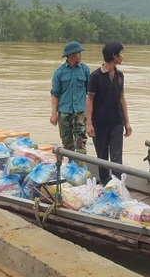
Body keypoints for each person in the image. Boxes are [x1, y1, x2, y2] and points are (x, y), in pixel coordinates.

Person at [86, 42, 132, 185]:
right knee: (102, 156)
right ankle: (106, 183)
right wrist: (89, 123)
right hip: (99, 123)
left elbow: (121, 98)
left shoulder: (120, 75)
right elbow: (90, 100)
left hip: (117, 122)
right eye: (121, 53)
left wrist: (127, 122)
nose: (123, 56)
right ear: (114, 56)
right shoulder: (95, 76)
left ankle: (118, 184)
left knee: (117, 156)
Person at [50, 41, 91, 156]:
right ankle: (70, 169)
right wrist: (54, 114)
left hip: (80, 113)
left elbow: (91, 93)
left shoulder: (85, 70)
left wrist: (91, 114)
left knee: (81, 144)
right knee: (67, 145)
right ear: (71, 55)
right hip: (64, 113)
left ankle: (80, 169)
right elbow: (55, 94)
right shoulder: (59, 72)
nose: (81, 55)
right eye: (78, 53)